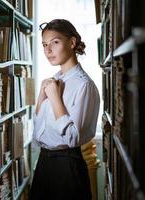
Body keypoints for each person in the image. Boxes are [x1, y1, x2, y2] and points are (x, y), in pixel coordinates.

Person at [30, 19, 100, 200]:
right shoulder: (53, 80)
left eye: (55, 42)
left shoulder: (83, 85)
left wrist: (54, 99)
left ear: (72, 42)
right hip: (44, 164)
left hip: (67, 166)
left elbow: (72, 137)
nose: (48, 50)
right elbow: (37, 136)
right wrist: (40, 99)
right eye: (44, 44)